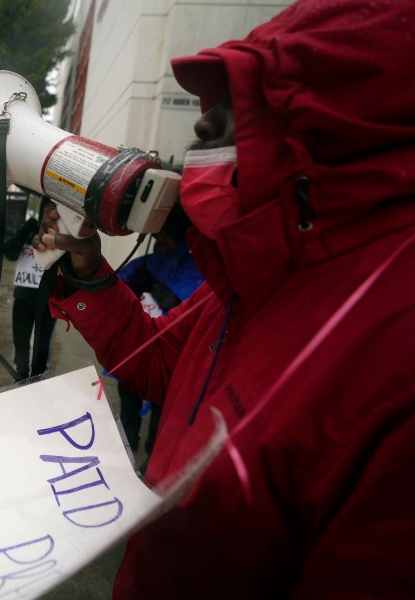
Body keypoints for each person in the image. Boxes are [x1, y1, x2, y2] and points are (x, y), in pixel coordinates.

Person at [34, 0, 415, 596]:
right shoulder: (253, 281)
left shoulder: (388, 352)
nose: (204, 126)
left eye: (258, 97)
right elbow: (157, 363)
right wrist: (87, 267)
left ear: (339, 139)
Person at [115, 203, 202, 467]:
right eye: (157, 235)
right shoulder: (145, 263)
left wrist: (156, 287)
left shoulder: (193, 267)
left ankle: (152, 460)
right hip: (134, 354)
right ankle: (126, 447)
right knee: (128, 403)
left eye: (166, 234)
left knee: (160, 412)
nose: (160, 239)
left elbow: (189, 309)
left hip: (168, 360)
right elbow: (115, 291)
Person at [4, 196, 58, 380]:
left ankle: (37, 378)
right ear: (42, 208)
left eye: (54, 207)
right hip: (24, 296)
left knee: (42, 344)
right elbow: (9, 252)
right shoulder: (29, 229)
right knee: (21, 340)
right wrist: (24, 231)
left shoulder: (62, 234)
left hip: (48, 300)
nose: (50, 210)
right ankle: (20, 376)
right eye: (47, 206)